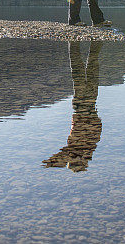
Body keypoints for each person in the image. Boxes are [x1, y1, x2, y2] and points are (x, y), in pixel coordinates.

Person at [42, 41, 103, 172]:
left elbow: (98, 125)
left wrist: (52, 163)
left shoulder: (84, 148)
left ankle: (80, 43)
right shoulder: (85, 148)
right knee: (81, 69)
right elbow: (98, 125)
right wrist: (53, 162)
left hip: (86, 106)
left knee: (87, 67)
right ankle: (81, 43)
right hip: (85, 106)